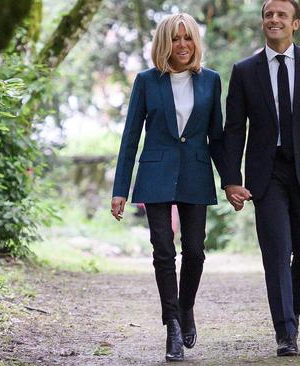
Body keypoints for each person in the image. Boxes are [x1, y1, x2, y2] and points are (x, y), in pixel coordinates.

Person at [220, 0, 300, 357]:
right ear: (263, 22)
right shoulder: (244, 70)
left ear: (296, 24)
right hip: (266, 173)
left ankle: (291, 317)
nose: (274, 20)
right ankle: (285, 332)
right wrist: (231, 179)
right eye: (268, 15)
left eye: (281, 15)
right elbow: (233, 130)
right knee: (276, 253)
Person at [110, 13, 225, 362]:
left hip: (195, 172)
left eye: (187, 38)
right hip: (155, 174)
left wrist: (231, 180)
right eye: (175, 39)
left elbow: (216, 137)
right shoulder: (147, 81)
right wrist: (120, 189)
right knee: (163, 252)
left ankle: (186, 306)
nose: (183, 45)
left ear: (195, 42)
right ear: (165, 43)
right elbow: (131, 137)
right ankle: (172, 325)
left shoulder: (211, 81)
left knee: (195, 252)